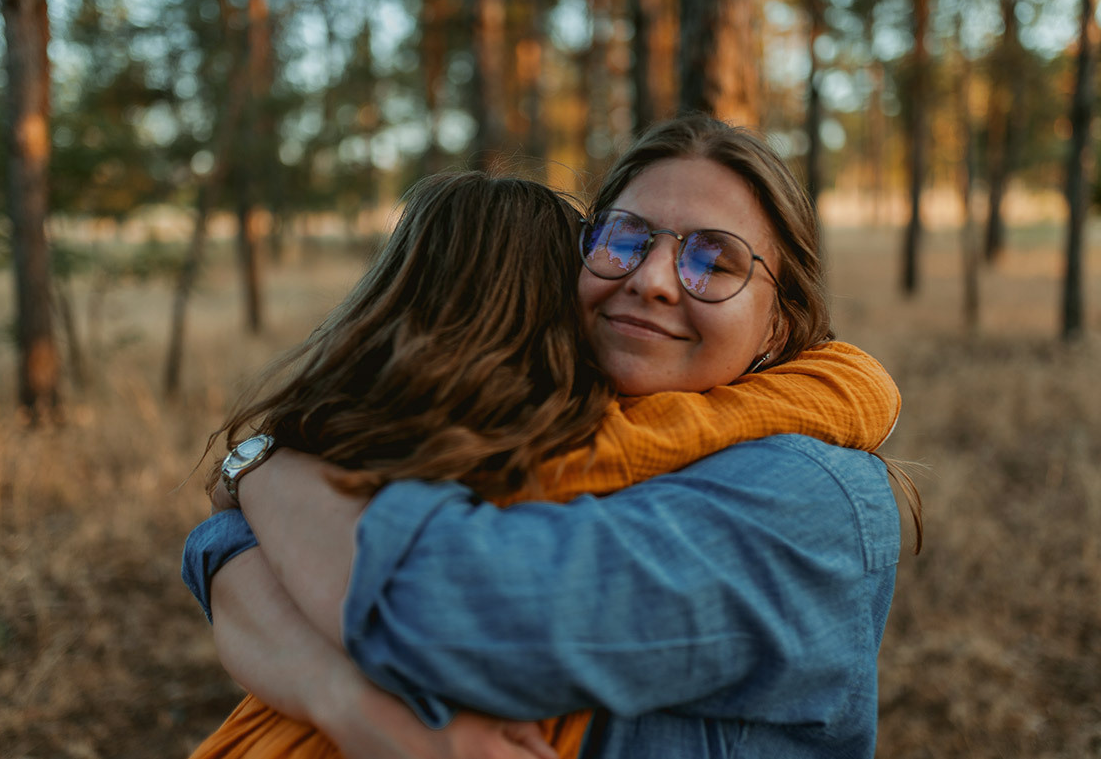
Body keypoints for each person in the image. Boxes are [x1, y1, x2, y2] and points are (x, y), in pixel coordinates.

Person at [184, 115, 919, 759]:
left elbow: (457, 614)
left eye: (712, 260)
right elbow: (225, 546)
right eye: (627, 238)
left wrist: (262, 470)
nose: (653, 279)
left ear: (778, 325)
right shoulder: (540, 421)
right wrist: (347, 700)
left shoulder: (807, 492)